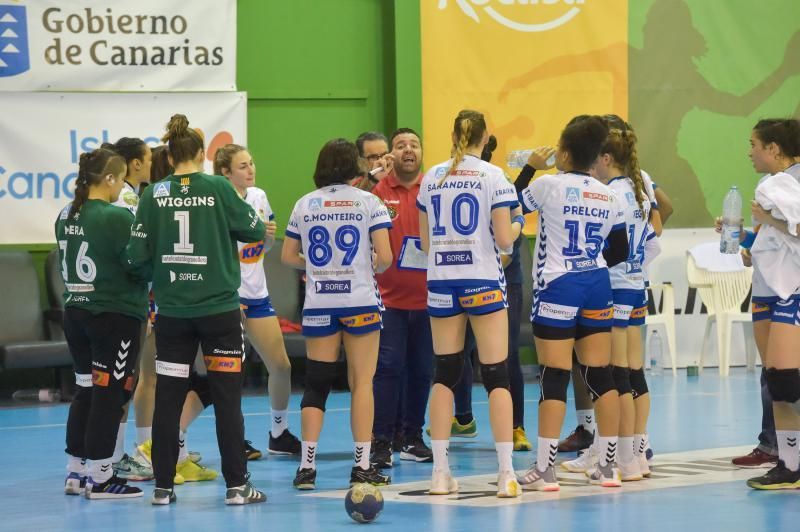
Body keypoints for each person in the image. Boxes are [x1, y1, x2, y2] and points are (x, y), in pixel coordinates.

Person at [127, 114, 268, 505]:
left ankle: (162, 488)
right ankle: (237, 487)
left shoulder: (152, 195)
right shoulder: (220, 188)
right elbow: (255, 230)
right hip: (218, 311)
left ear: (170, 157)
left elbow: (135, 256)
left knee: (169, 397)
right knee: (227, 398)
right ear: (203, 154)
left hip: (172, 313)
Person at [516, 115, 629, 491]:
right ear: (598, 155)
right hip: (596, 283)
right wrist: (589, 261)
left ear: (563, 152)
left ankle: (546, 471)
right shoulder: (608, 193)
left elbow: (511, 204)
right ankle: (609, 468)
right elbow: (620, 249)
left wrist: (530, 167)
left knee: (555, 375)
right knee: (601, 374)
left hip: (558, 284)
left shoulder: (548, 184)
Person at [417, 109, 523, 498]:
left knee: (444, 373)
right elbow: (506, 239)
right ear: (486, 137)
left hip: (442, 281)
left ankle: (440, 474)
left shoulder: (432, 177)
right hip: (482, 280)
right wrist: (517, 222)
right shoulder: (494, 177)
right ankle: (506, 473)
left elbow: (425, 244)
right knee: (496, 374)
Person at [282, 138, 393, 490]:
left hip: (320, 303)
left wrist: (316, 266)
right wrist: (369, 264)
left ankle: (306, 468)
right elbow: (386, 257)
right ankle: (361, 466)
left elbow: (287, 257)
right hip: (359, 300)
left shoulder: (304, 204)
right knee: (362, 382)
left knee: (316, 384)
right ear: (355, 167)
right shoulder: (369, 202)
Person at [561, 126, 658, 481]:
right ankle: (634, 455)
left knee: (613, 376)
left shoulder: (609, 194)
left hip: (613, 286)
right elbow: (653, 239)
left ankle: (617, 457)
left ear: (605, 158)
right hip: (635, 284)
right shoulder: (640, 189)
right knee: (632, 373)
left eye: (595, 159)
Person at [450, 137, 552, 451]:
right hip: (467, 277)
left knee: (504, 354)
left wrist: (491, 268)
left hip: (502, 279)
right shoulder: (452, 182)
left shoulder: (497, 180)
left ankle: (516, 427)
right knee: (459, 350)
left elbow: (512, 228)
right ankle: (463, 418)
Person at [59, 147, 149, 499]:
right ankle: (101, 476)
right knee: (111, 393)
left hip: (75, 312)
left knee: (86, 389)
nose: (122, 185)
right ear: (110, 178)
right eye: (121, 177)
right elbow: (138, 264)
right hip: (113, 315)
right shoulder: (116, 217)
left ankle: (76, 471)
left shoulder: (65, 214)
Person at [213, 143, 301, 455]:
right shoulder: (217, 203)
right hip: (228, 296)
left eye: (251, 163)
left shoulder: (259, 197)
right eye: (242, 166)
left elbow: (259, 251)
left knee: (281, 365)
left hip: (257, 294)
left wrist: (265, 239)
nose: (251, 170)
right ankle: (234, 439)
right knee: (228, 374)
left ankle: (279, 433)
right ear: (225, 173)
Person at [723, 121, 800, 470]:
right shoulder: (770, 184)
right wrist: (744, 241)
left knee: (784, 377)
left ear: (774, 148)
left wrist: (769, 218)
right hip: (768, 287)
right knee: (775, 375)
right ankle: (779, 452)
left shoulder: (784, 183)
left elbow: (789, 228)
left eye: (754, 144)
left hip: (788, 291)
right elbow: (770, 240)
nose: (749, 151)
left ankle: (787, 457)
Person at [369, 128, 434, 468]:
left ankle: (412, 436)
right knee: (388, 369)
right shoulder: (377, 190)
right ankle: (381, 440)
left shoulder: (434, 187)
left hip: (428, 300)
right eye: (400, 145)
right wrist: (375, 173)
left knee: (423, 371)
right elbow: (348, 199)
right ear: (391, 154)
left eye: (414, 144)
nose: (408, 149)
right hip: (388, 300)